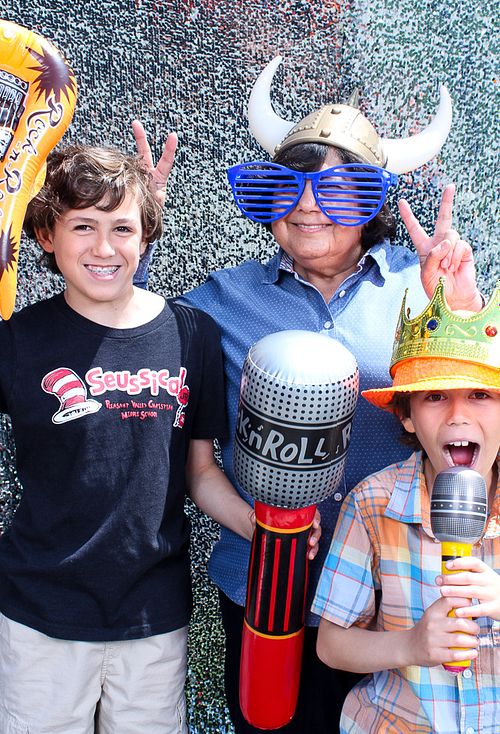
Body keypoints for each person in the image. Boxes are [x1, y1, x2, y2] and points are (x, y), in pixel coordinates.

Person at [133, 57, 484, 733]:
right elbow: (135, 343)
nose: (307, 206)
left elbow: (474, 417)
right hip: (264, 585)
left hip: (396, 588)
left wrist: (460, 311)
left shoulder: (426, 288)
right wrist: (131, 241)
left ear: (374, 204)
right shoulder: (222, 300)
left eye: (339, 191)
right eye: (284, 188)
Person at [0, 143, 260, 734]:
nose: (103, 247)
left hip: (152, 615)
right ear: (46, 236)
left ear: (145, 239)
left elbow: (199, 471)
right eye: (83, 226)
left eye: (122, 228)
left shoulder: (192, 333)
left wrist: (258, 527)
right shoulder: (18, 340)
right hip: (41, 613)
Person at [313, 277, 500, 733]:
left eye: (480, 395)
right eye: (435, 396)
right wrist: (411, 645)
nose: (458, 415)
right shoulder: (372, 503)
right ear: (407, 415)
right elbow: (331, 645)